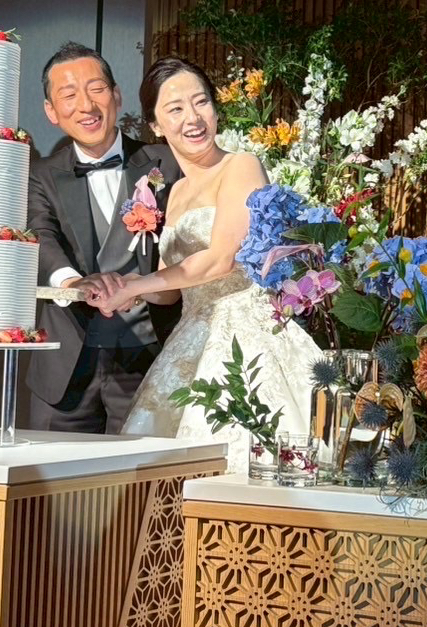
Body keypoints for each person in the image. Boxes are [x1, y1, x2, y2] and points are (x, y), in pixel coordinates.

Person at [83, 55, 316, 470]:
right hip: (191, 338)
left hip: (248, 335)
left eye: (201, 102)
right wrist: (124, 292)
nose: (192, 118)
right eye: (175, 109)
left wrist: (136, 284)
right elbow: (171, 293)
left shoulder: (240, 166)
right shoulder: (172, 192)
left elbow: (221, 259)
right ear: (155, 124)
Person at [26, 43, 181, 433]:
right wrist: (72, 283)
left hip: (148, 358)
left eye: (96, 89)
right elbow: (40, 236)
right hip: (65, 365)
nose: (86, 105)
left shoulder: (166, 163)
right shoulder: (40, 175)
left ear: (116, 95)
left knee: (138, 471)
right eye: (69, 95)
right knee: (51, 472)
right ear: (51, 111)